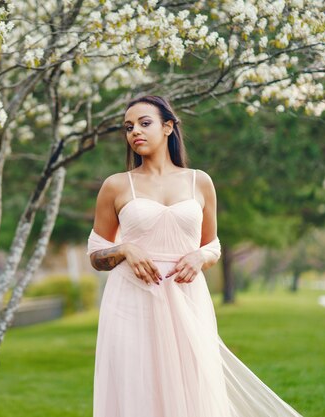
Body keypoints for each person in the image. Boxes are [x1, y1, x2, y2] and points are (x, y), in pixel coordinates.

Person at [87, 95, 302, 417]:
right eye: (128, 127)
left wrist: (200, 258)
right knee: (136, 384)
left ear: (169, 127)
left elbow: (212, 245)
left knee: (192, 385)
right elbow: (95, 254)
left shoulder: (199, 181)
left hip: (186, 297)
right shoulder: (116, 186)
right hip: (131, 300)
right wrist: (125, 248)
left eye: (145, 123)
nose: (135, 132)